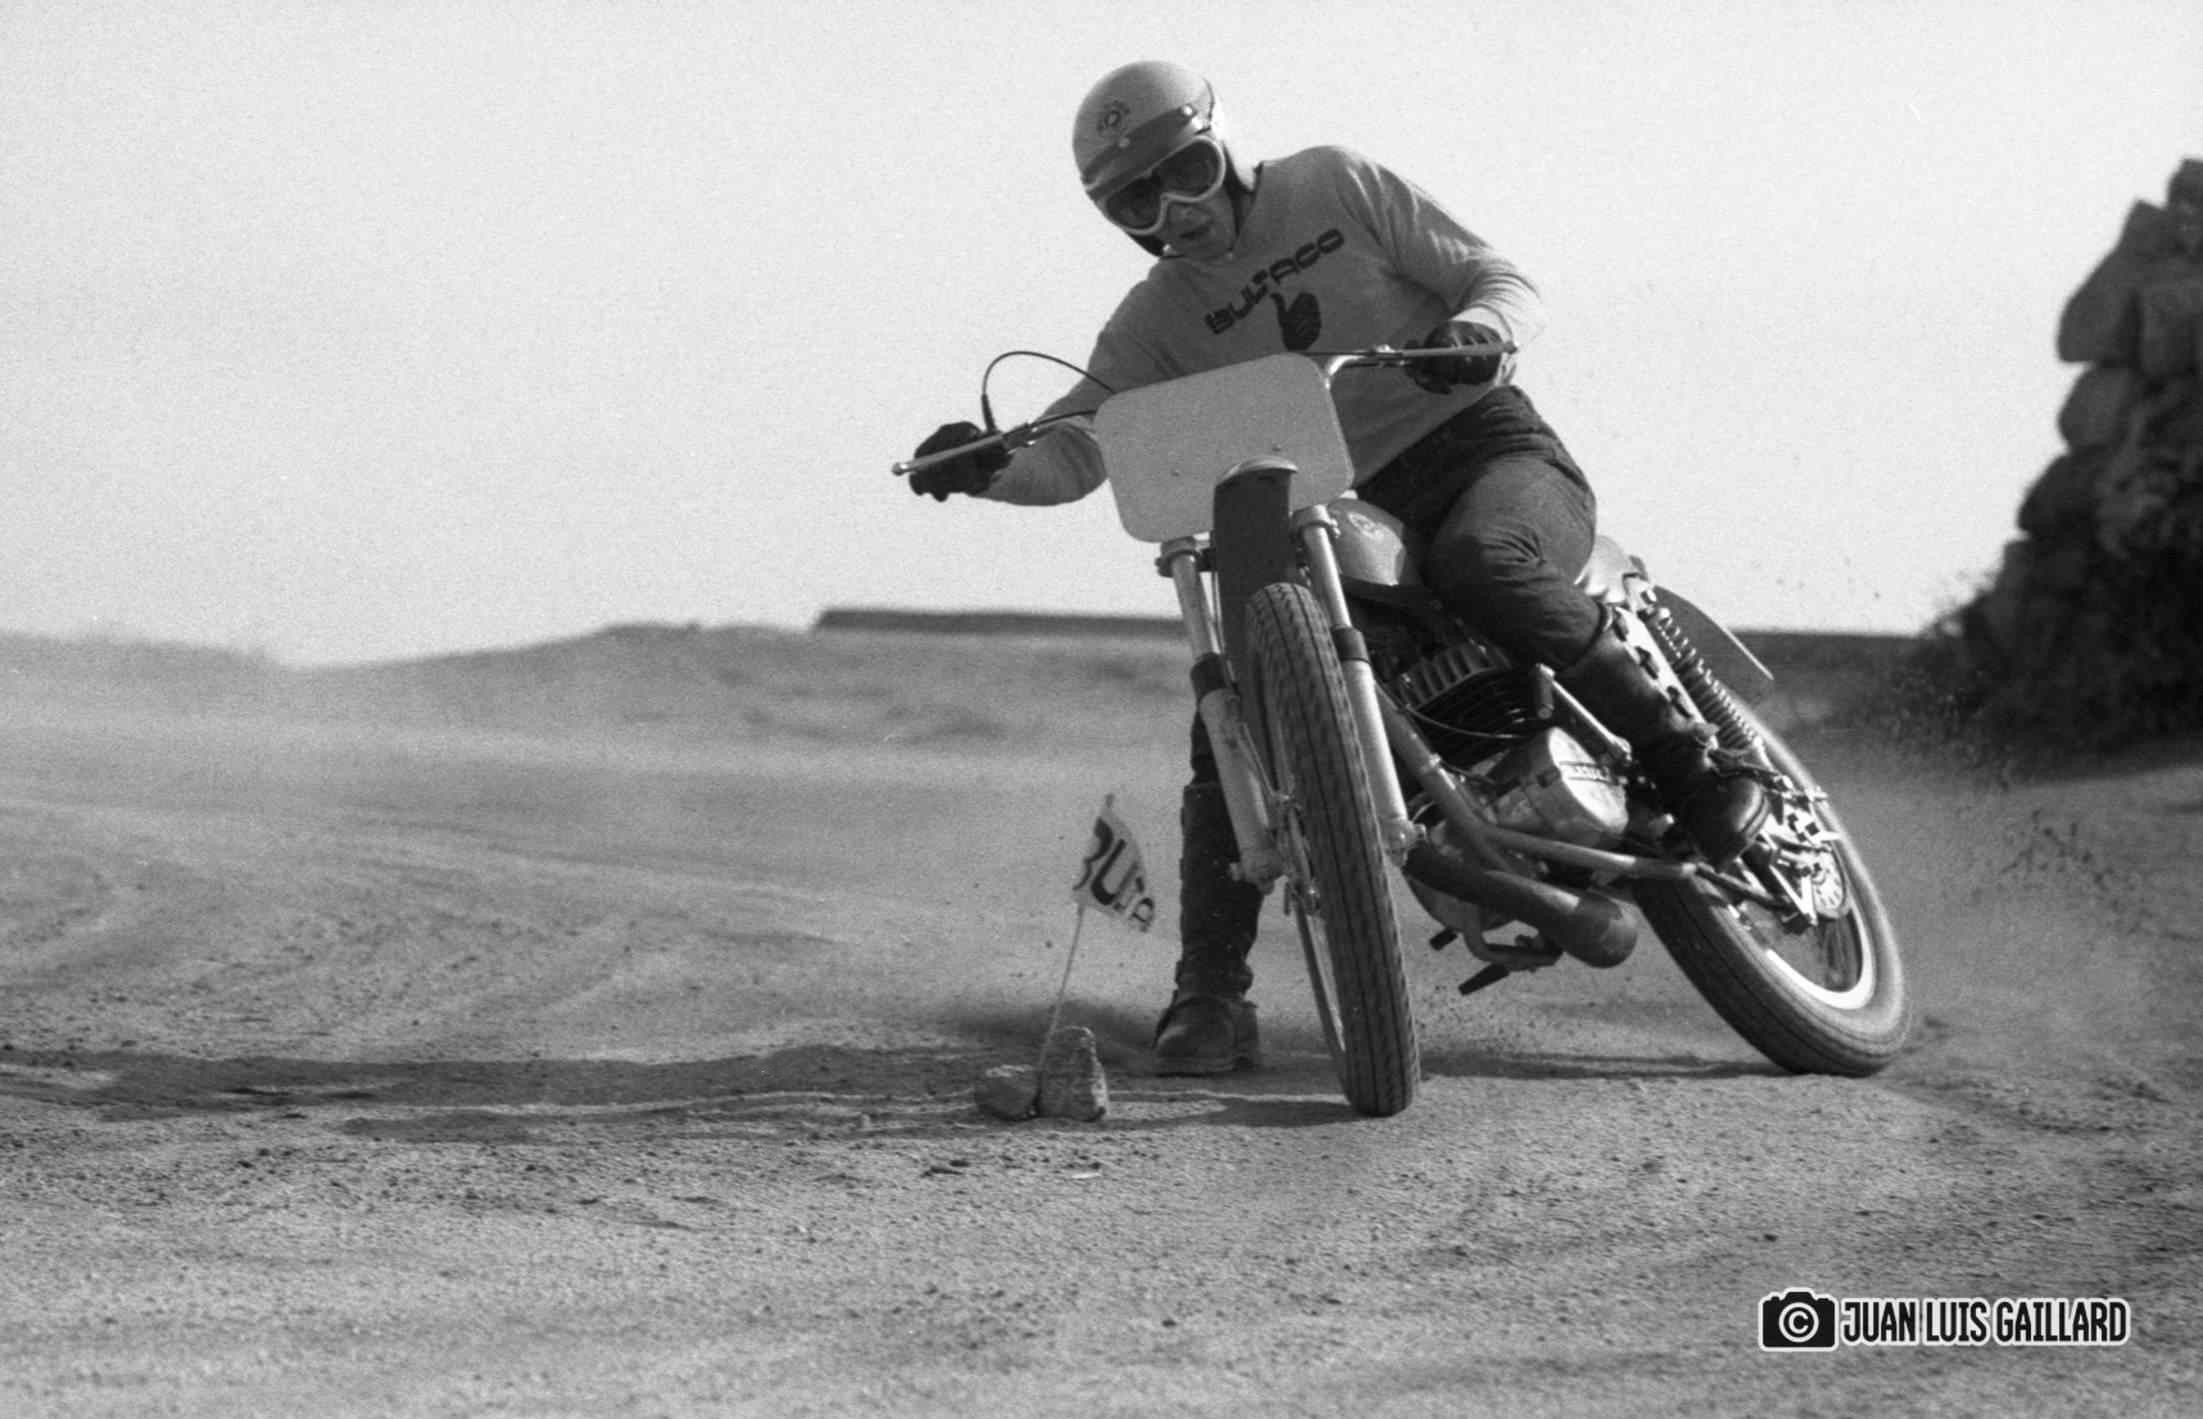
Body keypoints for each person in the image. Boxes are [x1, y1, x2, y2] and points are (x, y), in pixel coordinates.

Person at [903, 61, 1766, 1076]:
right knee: (1235, 705)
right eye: (1137, 201)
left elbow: (1498, 278)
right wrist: (987, 467)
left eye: (1185, 173)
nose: (1173, 211)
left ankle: (1692, 765)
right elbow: (1075, 450)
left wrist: (1478, 334)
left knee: (1482, 559)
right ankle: (1210, 993)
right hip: (1340, 511)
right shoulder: (1152, 324)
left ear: (1223, 146)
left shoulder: (1333, 185)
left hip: (1484, 450)